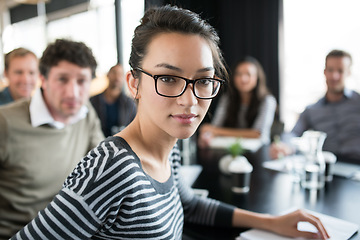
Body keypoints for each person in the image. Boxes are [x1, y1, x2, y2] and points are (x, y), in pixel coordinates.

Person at [11, 6, 329, 240]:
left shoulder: (170, 143)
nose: (189, 100)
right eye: (167, 77)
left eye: (203, 81)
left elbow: (187, 204)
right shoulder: (112, 168)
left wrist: (271, 222)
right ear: (134, 84)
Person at [0, 39, 105, 239]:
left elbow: (102, 168)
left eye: (82, 81)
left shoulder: (86, 113)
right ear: (43, 79)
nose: (73, 93)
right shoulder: (5, 122)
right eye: (62, 79)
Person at [270, 49, 360, 161]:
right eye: (330, 70)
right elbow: (293, 134)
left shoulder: (358, 102)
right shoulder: (312, 110)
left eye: (340, 71)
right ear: (324, 72)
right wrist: (285, 146)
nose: (334, 76)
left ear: (348, 73)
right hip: (327, 167)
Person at [198, 56, 277, 147]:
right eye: (238, 74)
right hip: (231, 149)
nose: (243, 79)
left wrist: (216, 131)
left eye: (248, 74)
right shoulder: (228, 99)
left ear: (257, 78)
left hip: (258, 152)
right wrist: (208, 135)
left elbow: (258, 134)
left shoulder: (267, 101)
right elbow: (215, 126)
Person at [90, 63, 137, 136]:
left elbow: (134, 129)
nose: (117, 77)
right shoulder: (93, 101)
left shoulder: (129, 104)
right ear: (108, 75)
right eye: (114, 73)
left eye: (120, 74)